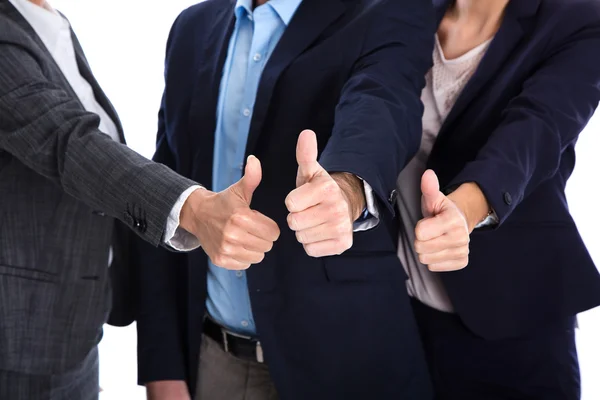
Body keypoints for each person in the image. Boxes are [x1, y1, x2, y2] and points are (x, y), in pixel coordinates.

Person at [135, 0, 436, 399]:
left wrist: (346, 192)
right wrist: (163, 369)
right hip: (212, 363)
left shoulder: (384, 10)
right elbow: (168, 195)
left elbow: (383, 106)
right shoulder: (193, 27)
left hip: (346, 362)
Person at [0, 0, 281, 398]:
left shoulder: (46, 21)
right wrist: (193, 209)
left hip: (73, 325)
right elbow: (68, 143)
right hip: (20, 339)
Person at [394, 0, 600, 399]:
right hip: (402, 316)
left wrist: (466, 211)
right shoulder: (403, 13)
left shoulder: (579, 20)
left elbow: (539, 130)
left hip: (514, 320)